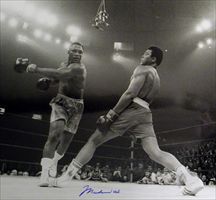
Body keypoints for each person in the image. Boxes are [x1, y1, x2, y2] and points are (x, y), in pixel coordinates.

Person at [49, 46, 204, 195]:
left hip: (132, 109)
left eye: (146, 54)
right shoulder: (156, 76)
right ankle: (190, 179)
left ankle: (65, 177)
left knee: (94, 140)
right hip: (145, 112)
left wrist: (111, 114)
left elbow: (130, 94)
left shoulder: (142, 69)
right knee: (155, 153)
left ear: (154, 60)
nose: (142, 56)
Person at [26, 42, 87, 186]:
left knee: (65, 142)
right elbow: (58, 78)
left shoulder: (79, 68)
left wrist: (37, 69)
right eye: (75, 51)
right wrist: (48, 81)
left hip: (77, 106)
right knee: (54, 135)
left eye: (80, 52)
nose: (78, 54)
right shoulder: (63, 64)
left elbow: (62, 74)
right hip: (60, 102)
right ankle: (44, 175)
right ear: (68, 52)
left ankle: (54, 162)